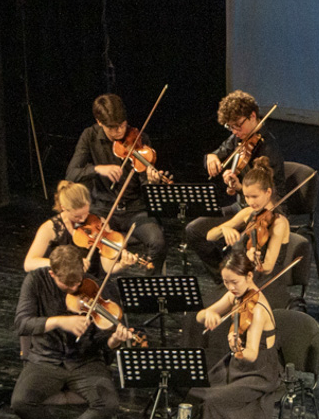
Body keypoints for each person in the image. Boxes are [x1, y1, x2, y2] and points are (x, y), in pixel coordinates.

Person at [12, 245, 127, 419]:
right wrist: (59, 322)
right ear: (52, 274)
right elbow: (22, 323)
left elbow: (102, 341)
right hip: (45, 359)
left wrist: (113, 341)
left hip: (85, 360)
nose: (75, 289)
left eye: (78, 282)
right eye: (67, 285)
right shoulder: (35, 281)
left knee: (108, 403)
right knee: (20, 402)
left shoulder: (94, 286)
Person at [184, 249, 282, 419]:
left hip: (258, 371)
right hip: (238, 365)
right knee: (197, 390)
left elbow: (251, 354)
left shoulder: (257, 309)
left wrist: (236, 347)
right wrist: (208, 314)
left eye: (234, 282)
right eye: (226, 282)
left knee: (217, 399)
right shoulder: (235, 296)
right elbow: (200, 316)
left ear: (249, 276)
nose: (230, 287)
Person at [65, 93, 169, 271]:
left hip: (135, 210)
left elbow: (145, 184)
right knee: (81, 243)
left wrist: (152, 182)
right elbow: (71, 175)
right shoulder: (90, 136)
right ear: (99, 122)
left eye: (122, 125)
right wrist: (98, 169)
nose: (119, 131)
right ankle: (92, 284)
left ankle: (152, 286)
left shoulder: (139, 138)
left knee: (158, 242)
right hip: (103, 210)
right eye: (112, 128)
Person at [185, 91, 286, 269]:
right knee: (193, 230)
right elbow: (220, 151)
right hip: (241, 206)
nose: (235, 132)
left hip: (265, 211)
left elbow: (267, 196)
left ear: (252, 116)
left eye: (238, 126)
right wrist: (211, 157)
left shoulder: (269, 149)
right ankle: (224, 275)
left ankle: (236, 275)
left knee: (237, 242)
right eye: (230, 127)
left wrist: (240, 188)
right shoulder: (239, 138)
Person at [24, 181, 149, 274]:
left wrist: (122, 265)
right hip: (62, 283)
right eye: (77, 216)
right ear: (63, 208)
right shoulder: (49, 228)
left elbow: (108, 268)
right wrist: (63, 264)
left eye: (86, 212)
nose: (83, 219)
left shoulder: (99, 222)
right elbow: (29, 263)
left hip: (91, 283)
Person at [203, 158, 291, 282]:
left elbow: (267, 268)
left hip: (267, 282)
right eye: (246, 197)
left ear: (268, 192)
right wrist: (224, 229)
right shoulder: (249, 212)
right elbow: (209, 236)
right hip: (244, 277)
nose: (250, 202)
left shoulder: (279, 223)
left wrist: (251, 261)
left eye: (254, 196)